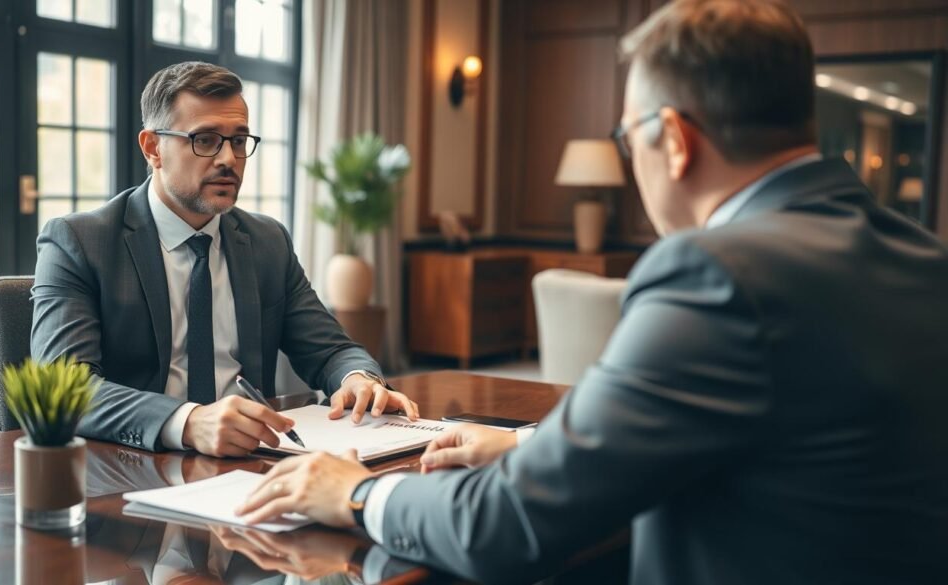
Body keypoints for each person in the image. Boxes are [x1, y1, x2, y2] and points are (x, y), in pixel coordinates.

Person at [233, 1, 948, 583]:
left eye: (626, 135)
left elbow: (505, 528)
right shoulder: (922, 255)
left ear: (672, 138)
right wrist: (533, 446)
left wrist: (354, 491)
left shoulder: (716, 272)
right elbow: (767, 428)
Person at [31, 61, 419, 457]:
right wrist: (186, 422)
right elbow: (64, 387)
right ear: (153, 148)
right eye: (205, 140)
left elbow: (330, 348)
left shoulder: (268, 241)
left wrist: (357, 378)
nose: (228, 159)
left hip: (251, 463)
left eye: (238, 140)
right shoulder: (79, 241)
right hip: (133, 467)